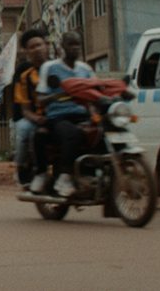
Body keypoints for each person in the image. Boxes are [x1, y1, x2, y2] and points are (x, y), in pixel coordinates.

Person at [30, 31, 95, 197]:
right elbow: (41, 98)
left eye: (77, 44)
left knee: (104, 130)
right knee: (71, 133)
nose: (75, 48)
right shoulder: (50, 68)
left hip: (82, 115)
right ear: (63, 47)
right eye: (71, 44)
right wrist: (57, 95)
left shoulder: (85, 69)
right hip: (58, 117)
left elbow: (96, 91)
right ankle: (64, 177)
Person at [12, 28, 49, 186]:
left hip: (52, 114)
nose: (37, 49)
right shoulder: (23, 72)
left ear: (46, 45)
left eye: (39, 45)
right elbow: (23, 105)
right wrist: (35, 117)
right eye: (32, 47)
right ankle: (22, 167)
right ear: (26, 51)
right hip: (28, 115)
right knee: (25, 131)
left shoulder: (54, 67)